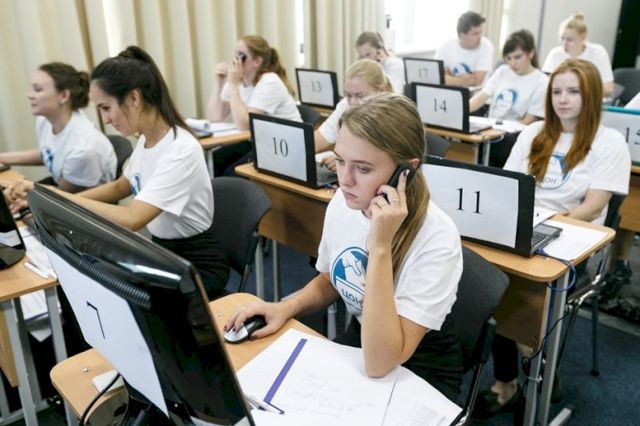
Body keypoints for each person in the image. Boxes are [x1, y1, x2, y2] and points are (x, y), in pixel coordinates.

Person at [226, 93, 465, 401]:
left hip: (418, 367)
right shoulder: (344, 201)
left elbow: (381, 363)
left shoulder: (437, 237)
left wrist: (380, 246)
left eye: (362, 169)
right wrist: (285, 307)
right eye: (340, 161)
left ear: (405, 171)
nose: (345, 180)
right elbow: (330, 280)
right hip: (363, 340)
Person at [473, 59, 630, 419]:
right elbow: (508, 187)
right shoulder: (533, 133)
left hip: (576, 240)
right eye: (557, 91)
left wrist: (544, 230)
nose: (563, 99)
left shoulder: (609, 142)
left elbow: (592, 207)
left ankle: (537, 365)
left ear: (591, 95)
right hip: (524, 229)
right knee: (488, 279)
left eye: (573, 91)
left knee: (525, 291)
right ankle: (511, 379)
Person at [7, 46, 229, 300]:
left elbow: (134, 218)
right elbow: (120, 186)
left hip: (197, 265)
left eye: (106, 108)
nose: (105, 119)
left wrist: (56, 196)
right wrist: (57, 199)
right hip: (164, 252)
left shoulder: (180, 150)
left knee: (107, 294)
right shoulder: (147, 140)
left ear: (133, 99)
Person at [0, 62, 116, 192]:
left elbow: (63, 196)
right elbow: (48, 153)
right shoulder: (45, 120)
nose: (30, 95)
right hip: (61, 187)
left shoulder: (84, 148)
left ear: (64, 96)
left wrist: (13, 188)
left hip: (77, 200)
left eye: (38, 90)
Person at [206, 35, 301, 176]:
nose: (235, 62)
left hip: (282, 147)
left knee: (229, 175)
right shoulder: (238, 81)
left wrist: (232, 84)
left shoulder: (269, 82)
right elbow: (215, 116)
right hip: (257, 141)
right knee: (211, 163)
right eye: (235, 55)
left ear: (257, 61)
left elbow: (244, 124)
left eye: (241, 56)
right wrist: (219, 83)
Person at [469, 29, 549, 167]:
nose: (512, 63)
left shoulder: (541, 81)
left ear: (530, 53)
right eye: (508, 58)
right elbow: (481, 97)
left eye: (517, 57)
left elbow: (528, 122)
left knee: (486, 150)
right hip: (490, 131)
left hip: (513, 136)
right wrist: (460, 111)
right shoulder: (502, 71)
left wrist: (500, 134)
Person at [314, 59, 393, 171]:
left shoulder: (394, 116)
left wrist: (345, 162)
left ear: (381, 90)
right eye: (348, 95)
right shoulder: (345, 105)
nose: (353, 103)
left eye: (360, 96)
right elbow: (319, 138)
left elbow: (384, 164)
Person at [542, 13, 614, 97]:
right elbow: (545, 85)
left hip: (590, 100)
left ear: (583, 37)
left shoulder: (598, 52)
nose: (564, 43)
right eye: (562, 38)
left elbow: (608, 89)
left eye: (570, 40)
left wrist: (579, 90)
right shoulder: (555, 54)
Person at [435, 11, 495, 88]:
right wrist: (462, 80)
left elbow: (476, 81)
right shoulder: (446, 46)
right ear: (462, 35)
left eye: (480, 32)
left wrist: (450, 76)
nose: (480, 37)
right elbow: (436, 78)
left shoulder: (486, 46)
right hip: (450, 92)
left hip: (476, 93)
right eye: (475, 34)